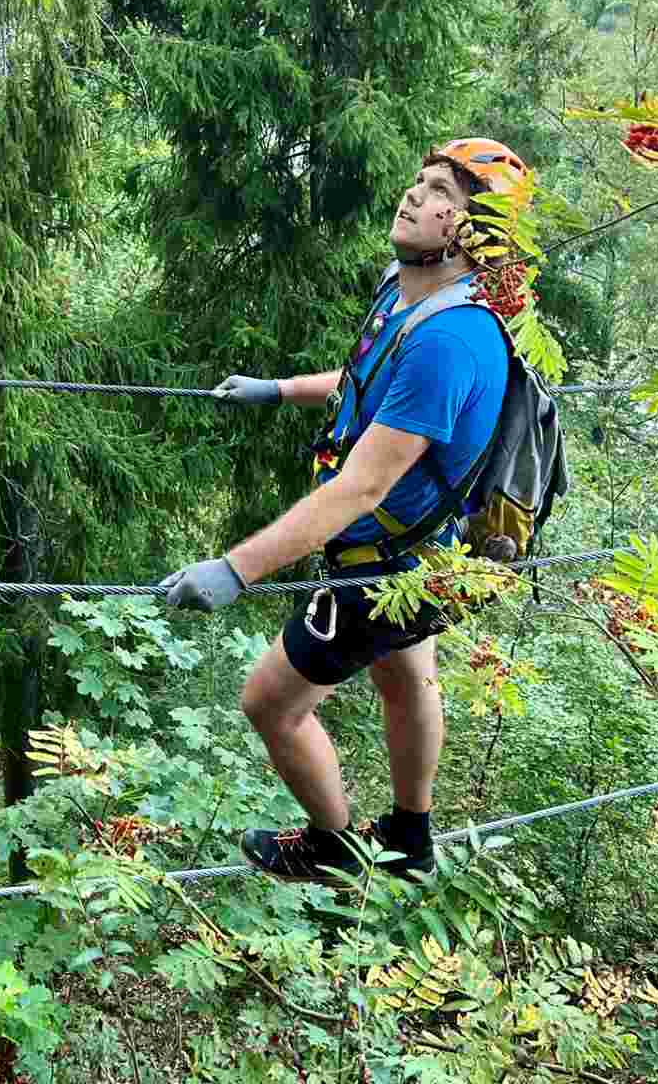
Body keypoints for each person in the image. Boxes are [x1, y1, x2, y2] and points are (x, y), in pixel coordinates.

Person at [162, 138, 529, 884]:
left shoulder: (456, 337)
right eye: (419, 181)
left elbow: (360, 487)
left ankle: (333, 850)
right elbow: (370, 375)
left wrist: (237, 570)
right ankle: (411, 839)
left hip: (387, 561)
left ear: (477, 230)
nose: (414, 197)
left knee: (271, 703)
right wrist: (279, 388)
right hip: (425, 551)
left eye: (441, 195)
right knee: (406, 680)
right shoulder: (408, 289)